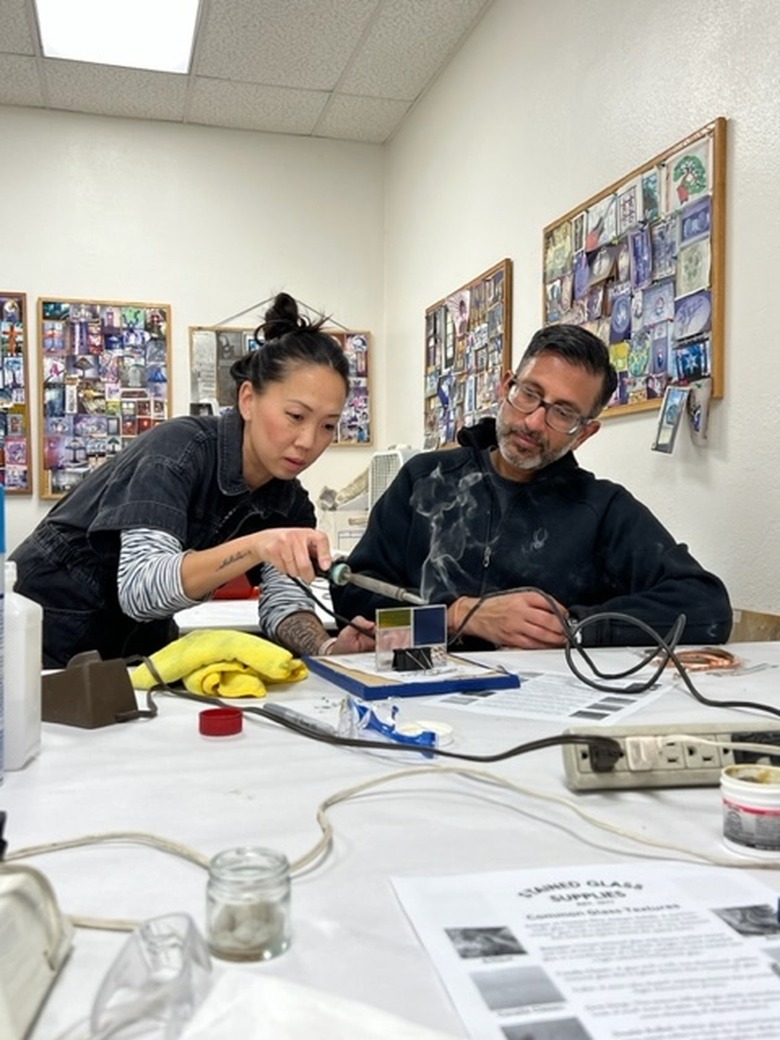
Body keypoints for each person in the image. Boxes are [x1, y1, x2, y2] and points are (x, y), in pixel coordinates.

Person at [12, 292, 374, 668]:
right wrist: (258, 546)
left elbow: (285, 604)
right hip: (36, 637)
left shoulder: (289, 503)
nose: (308, 441)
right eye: (296, 416)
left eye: (328, 425)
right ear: (248, 399)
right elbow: (142, 589)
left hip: (127, 652)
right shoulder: (178, 451)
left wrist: (327, 649)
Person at [332, 325, 732, 649]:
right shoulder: (423, 480)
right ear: (507, 385)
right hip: (417, 697)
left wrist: (571, 627)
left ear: (586, 432)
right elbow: (351, 600)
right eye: (529, 395)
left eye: (563, 413)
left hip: (549, 709)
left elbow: (706, 607)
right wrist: (458, 617)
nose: (534, 423)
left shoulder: (602, 509)